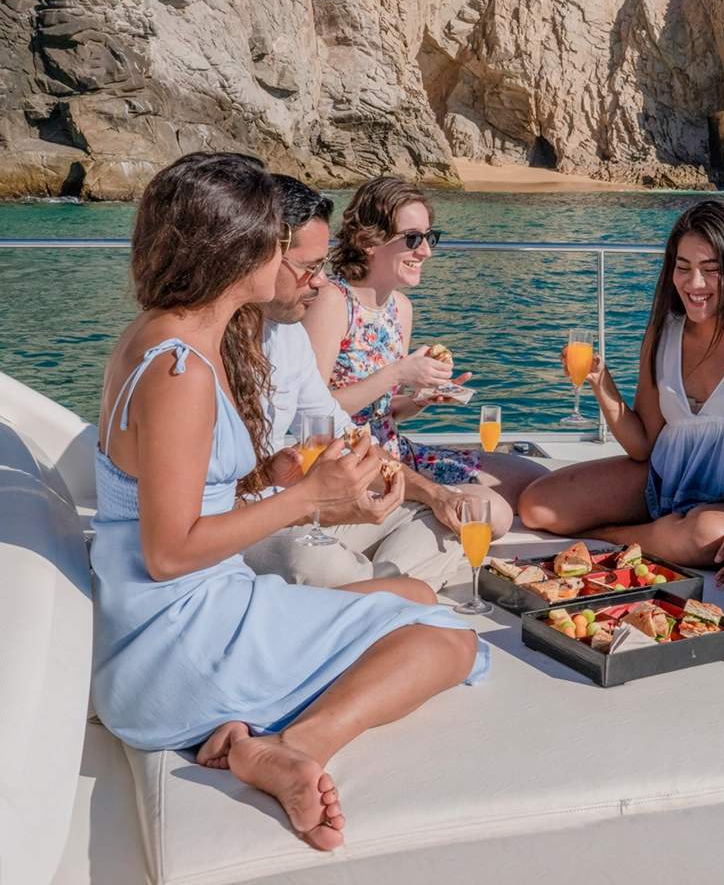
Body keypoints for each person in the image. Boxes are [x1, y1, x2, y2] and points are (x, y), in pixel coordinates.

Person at [90, 153, 486, 855]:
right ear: (234, 248)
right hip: (177, 644)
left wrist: (265, 476)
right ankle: (292, 744)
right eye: (275, 239)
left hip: (157, 629)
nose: (297, 260)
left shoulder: (160, 336)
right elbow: (170, 548)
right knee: (450, 641)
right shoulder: (181, 367)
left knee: (413, 590)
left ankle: (254, 727)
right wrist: (305, 497)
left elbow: (166, 492)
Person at [517, 201, 724, 577]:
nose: (693, 284)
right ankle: (654, 536)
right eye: (683, 268)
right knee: (538, 505)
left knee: (705, 536)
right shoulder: (664, 330)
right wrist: (602, 382)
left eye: (710, 271)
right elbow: (642, 444)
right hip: (663, 482)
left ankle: (609, 539)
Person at [244, 174, 468, 590]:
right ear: (260, 259)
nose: (321, 280)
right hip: (262, 517)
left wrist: (432, 494)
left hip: (322, 496)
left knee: (454, 524)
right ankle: (387, 590)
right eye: (310, 267)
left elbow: (339, 430)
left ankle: (371, 590)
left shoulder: (287, 334)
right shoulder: (201, 349)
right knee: (312, 561)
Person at [304, 175, 545, 536]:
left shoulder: (400, 308)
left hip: (396, 451)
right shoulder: (332, 302)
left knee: (537, 482)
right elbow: (314, 413)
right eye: (413, 239)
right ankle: (423, 508)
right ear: (369, 241)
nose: (426, 251)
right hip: (352, 461)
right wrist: (399, 372)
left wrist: (421, 398)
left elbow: (384, 409)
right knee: (489, 512)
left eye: (429, 237)